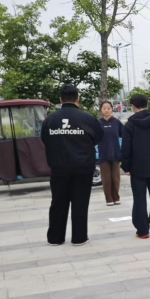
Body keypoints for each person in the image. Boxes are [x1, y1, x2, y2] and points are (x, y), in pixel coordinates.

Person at [41, 84, 104, 246]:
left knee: (58, 203)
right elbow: (98, 138)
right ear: (78, 99)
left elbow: (45, 140)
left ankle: (55, 238)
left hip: (58, 168)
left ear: (60, 99)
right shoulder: (88, 118)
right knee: (80, 203)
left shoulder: (50, 120)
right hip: (83, 168)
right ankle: (79, 237)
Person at [121, 94, 150, 239]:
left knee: (139, 200)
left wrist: (126, 167)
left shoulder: (130, 125)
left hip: (137, 168)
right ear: (147, 104)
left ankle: (142, 231)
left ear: (133, 106)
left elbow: (126, 148)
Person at [98, 101, 124, 206]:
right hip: (103, 154)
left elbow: (124, 135)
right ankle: (109, 199)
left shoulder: (116, 122)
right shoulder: (98, 123)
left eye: (108, 108)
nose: (106, 110)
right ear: (101, 110)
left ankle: (116, 197)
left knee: (116, 178)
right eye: (104, 108)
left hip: (115, 153)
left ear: (112, 109)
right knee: (106, 179)